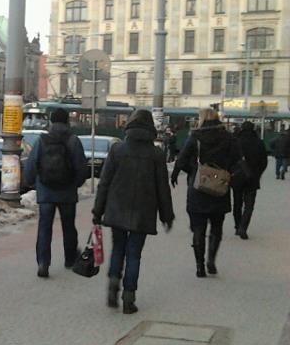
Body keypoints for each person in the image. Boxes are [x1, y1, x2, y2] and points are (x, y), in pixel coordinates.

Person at [92, 110, 174, 314]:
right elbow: (162, 188)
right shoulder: (156, 154)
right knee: (134, 254)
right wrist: (167, 215)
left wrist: (97, 210)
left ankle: (113, 284)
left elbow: (104, 183)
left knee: (118, 248)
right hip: (143, 212)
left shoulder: (117, 150)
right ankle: (129, 298)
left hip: (117, 208)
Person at [171, 108, 241, 277]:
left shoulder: (195, 137)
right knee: (217, 227)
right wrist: (227, 174)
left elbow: (181, 159)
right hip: (220, 188)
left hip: (198, 187)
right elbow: (236, 160)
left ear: (201, 119)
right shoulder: (228, 137)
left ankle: (199, 266)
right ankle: (211, 261)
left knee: (199, 229)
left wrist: (181, 173)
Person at [23, 107, 88, 277]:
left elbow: (32, 163)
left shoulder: (42, 140)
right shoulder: (73, 140)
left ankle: (43, 263)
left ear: (51, 121)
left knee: (44, 228)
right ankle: (70, 259)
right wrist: (75, 184)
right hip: (67, 193)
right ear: (67, 121)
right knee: (68, 227)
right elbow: (81, 167)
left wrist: (30, 182)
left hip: (45, 192)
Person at [231, 122, 268, 240]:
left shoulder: (235, 142)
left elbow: (229, 159)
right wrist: (258, 174)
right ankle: (243, 227)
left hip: (236, 177)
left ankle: (237, 226)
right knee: (249, 205)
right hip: (252, 177)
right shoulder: (259, 142)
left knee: (237, 203)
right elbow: (264, 162)